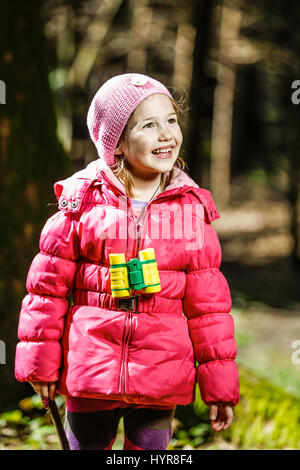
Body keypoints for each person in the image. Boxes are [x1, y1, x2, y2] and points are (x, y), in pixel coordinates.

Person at [15, 73, 240, 450]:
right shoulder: (82, 203)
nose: (166, 133)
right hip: (91, 371)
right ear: (116, 143)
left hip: (161, 375)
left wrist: (219, 389)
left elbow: (210, 311)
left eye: (171, 120)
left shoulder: (191, 210)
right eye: (149, 125)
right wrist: (41, 366)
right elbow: (45, 292)